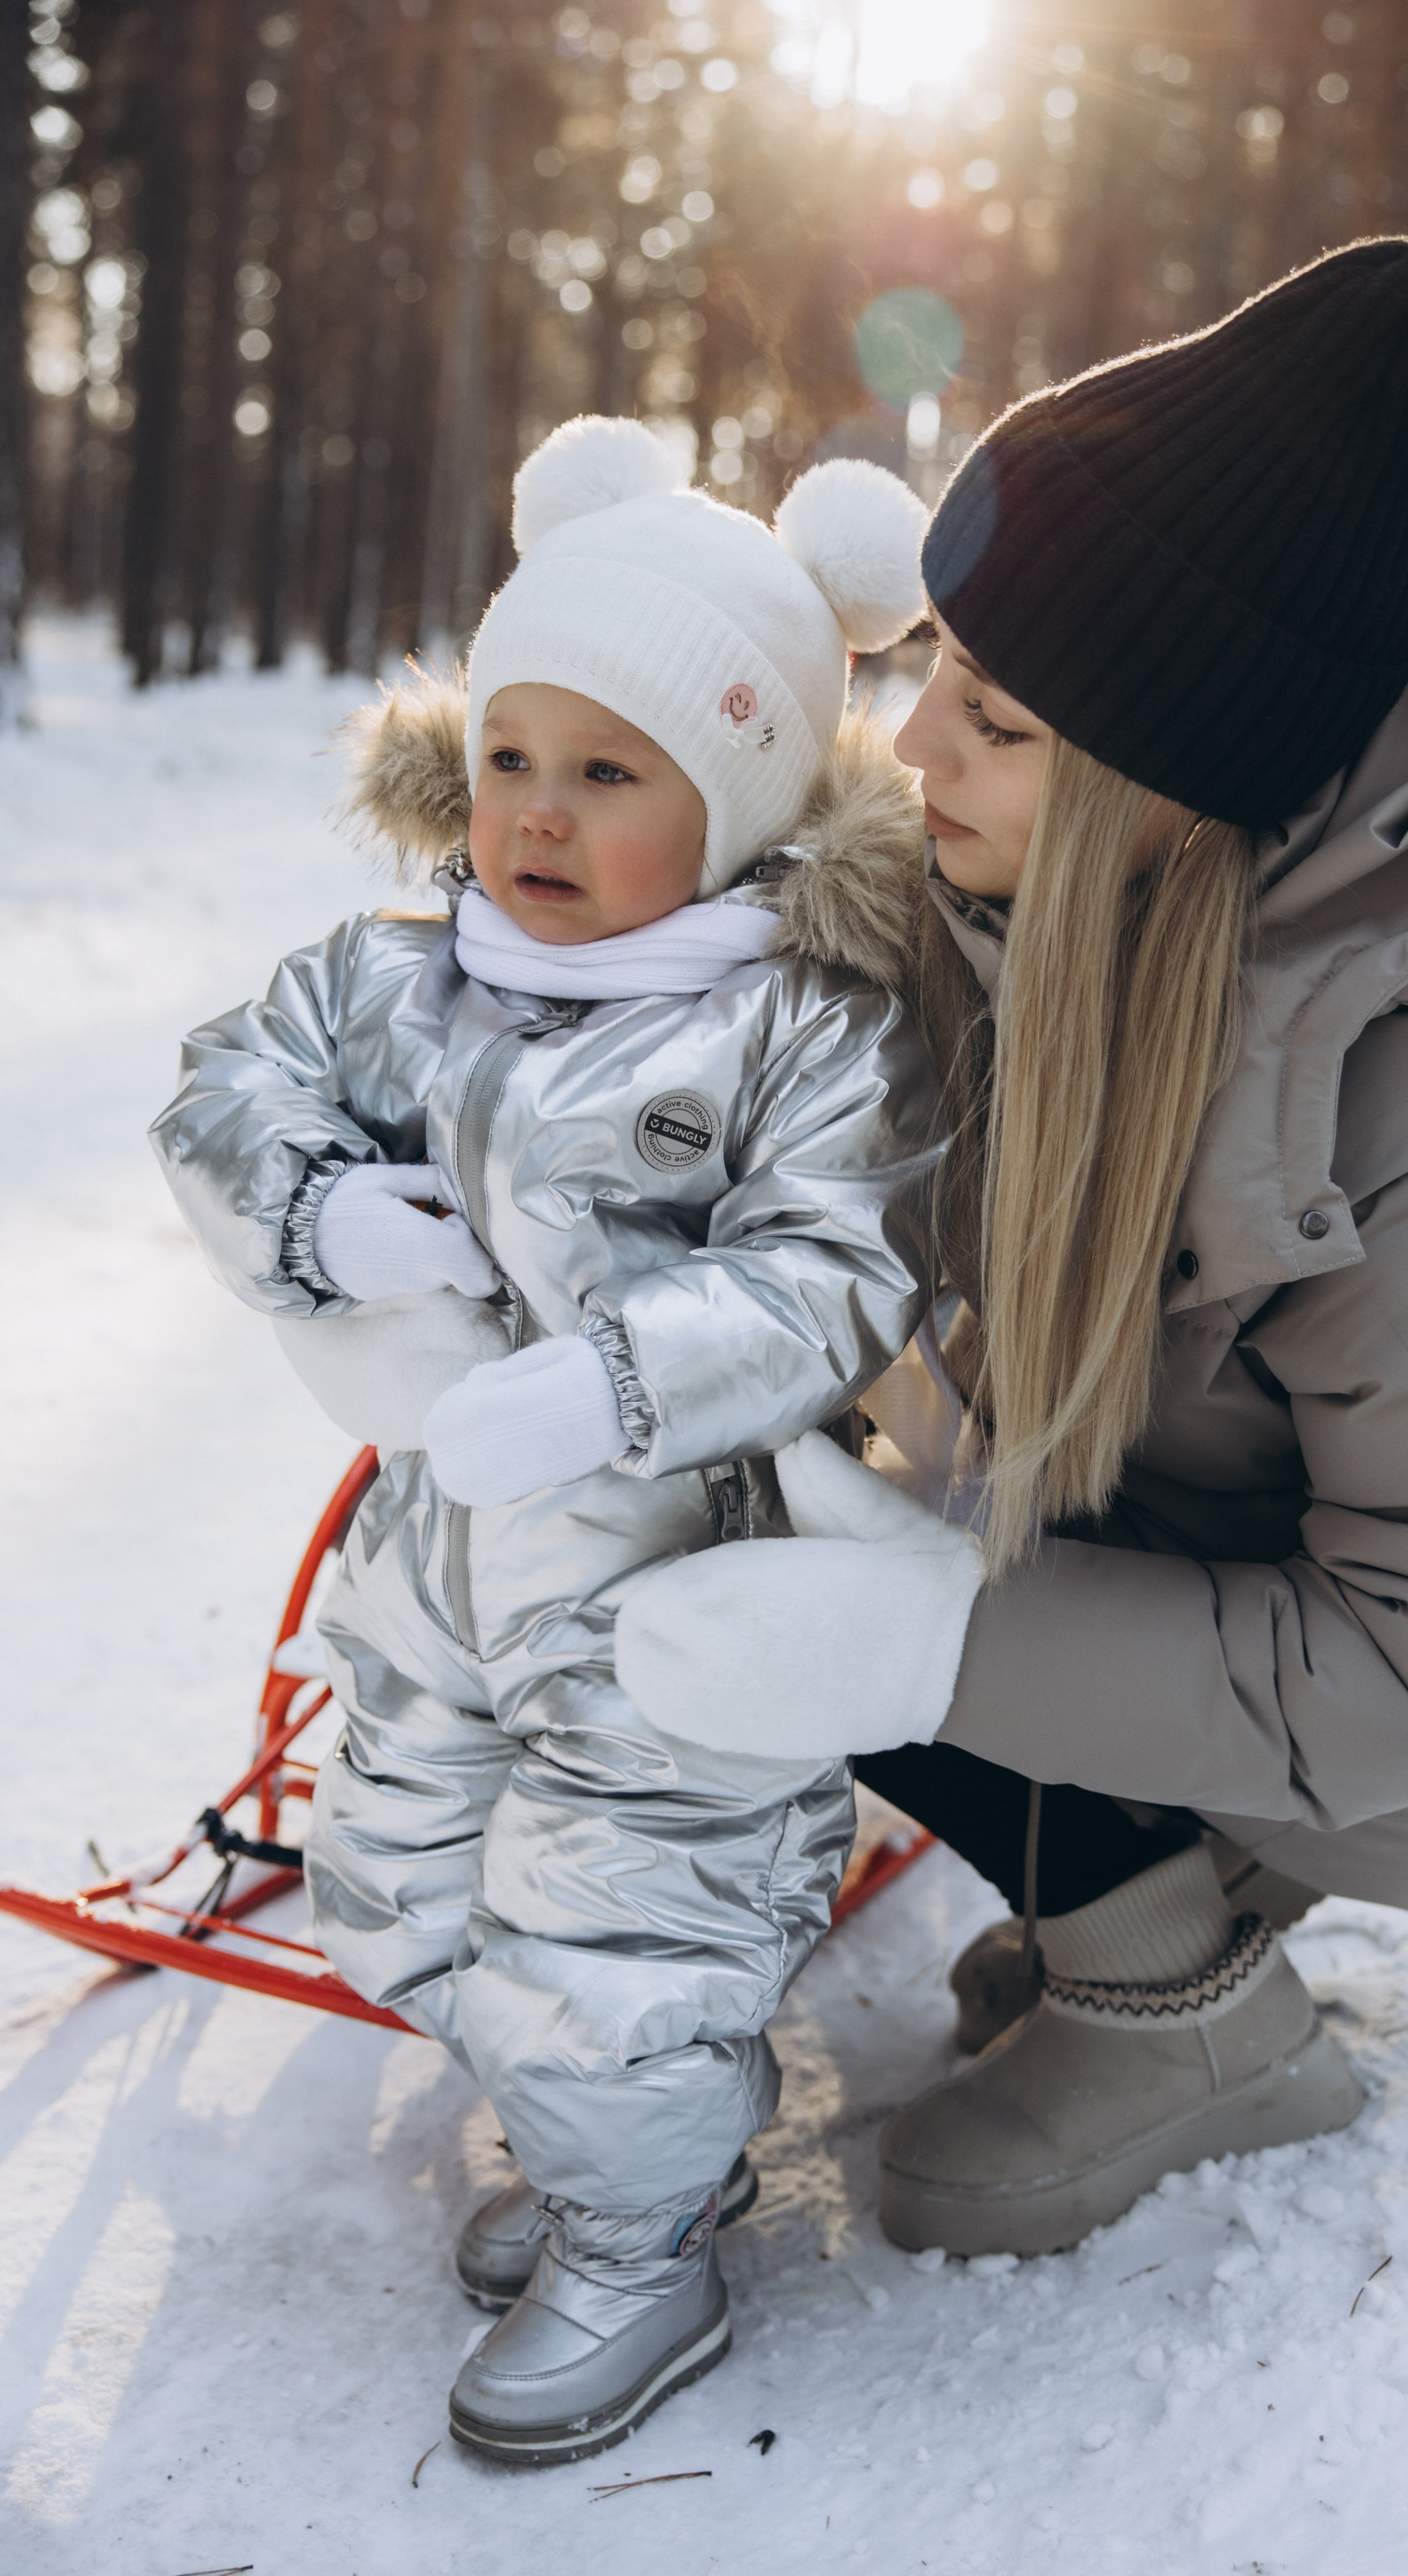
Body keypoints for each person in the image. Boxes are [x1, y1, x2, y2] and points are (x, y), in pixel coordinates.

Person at [616, 239, 1408, 2260]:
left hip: (1404, 1689)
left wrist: (923, 1639)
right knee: (732, 1468)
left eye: (992, 719)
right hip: (1154, 1522)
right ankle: (1129, 1878)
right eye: (932, 669)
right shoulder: (1005, 890)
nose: (914, 751)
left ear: (1166, 805)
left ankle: (1193, 2002)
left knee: (835, 1577)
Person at [149, 416, 946, 2463]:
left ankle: (641, 2225)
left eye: (613, 776)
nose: (540, 817)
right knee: (404, 1874)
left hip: (671, 1582)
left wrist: (612, 1376)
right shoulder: (400, 980)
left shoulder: (794, 1023)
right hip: (440, 1567)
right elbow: (232, 1083)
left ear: (746, 794)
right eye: (513, 757)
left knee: (625, 1922)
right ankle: (602, 2138)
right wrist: (318, 1209)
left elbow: (837, 1270)